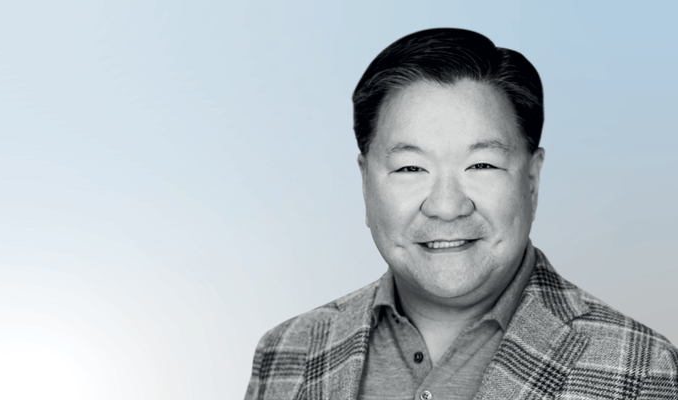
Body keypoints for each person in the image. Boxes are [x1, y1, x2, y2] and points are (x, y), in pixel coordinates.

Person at [244, 28, 678, 400]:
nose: (447, 206)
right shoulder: (287, 352)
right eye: (410, 168)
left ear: (531, 179)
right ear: (365, 182)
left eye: (481, 165)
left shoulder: (641, 368)